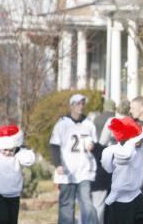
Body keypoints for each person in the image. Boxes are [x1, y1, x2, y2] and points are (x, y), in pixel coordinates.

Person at [49, 93, 99, 224]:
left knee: (87, 204)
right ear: (71, 106)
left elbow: (96, 145)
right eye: (78, 103)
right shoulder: (62, 124)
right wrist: (58, 164)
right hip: (67, 171)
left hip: (84, 170)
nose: (81, 106)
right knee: (67, 205)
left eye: (83, 103)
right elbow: (54, 145)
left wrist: (93, 147)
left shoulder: (89, 124)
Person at [101, 116, 143, 224]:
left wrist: (138, 130)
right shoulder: (119, 151)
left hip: (135, 194)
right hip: (120, 197)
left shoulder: (138, 148)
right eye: (139, 138)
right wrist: (132, 139)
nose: (142, 140)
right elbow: (123, 157)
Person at [0, 124, 36, 224]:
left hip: (13, 194)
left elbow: (30, 159)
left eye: (10, 150)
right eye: (5, 150)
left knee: (12, 221)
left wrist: (18, 150)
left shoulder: (18, 154)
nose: (7, 153)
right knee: (3, 218)